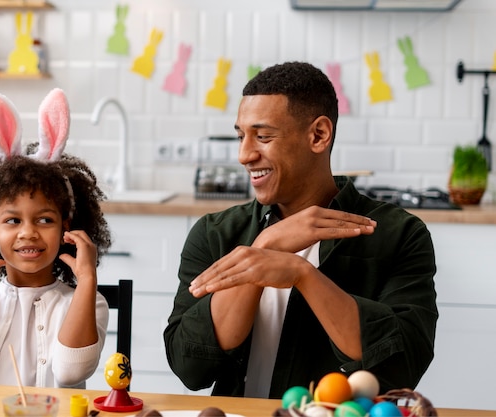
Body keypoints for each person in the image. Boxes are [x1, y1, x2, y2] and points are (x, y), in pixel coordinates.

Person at [163, 62, 438, 399]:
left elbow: (402, 367)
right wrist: (264, 247)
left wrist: (303, 275)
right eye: (241, 135)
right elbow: (189, 367)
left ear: (318, 135)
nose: (244, 154)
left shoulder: (399, 235)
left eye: (263, 136)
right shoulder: (215, 233)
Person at [0, 88, 112, 389]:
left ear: (66, 227)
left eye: (45, 219)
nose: (28, 232)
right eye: (13, 220)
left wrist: (88, 279)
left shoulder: (88, 302)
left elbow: (70, 371)